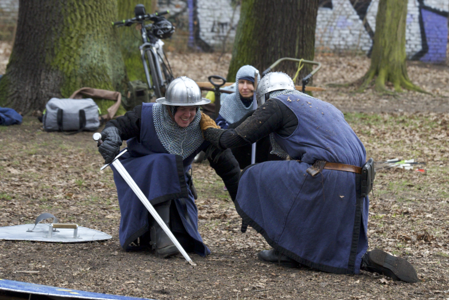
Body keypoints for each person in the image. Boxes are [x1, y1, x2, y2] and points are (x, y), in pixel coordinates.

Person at [200, 72, 419, 283]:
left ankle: (285, 250)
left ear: (265, 97)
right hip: (355, 179)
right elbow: (246, 123)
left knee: (255, 175)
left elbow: (232, 138)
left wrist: (205, 126)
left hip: (326, 173)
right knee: (290, 179)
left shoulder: (277, 105)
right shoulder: (318, 104)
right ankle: (355, 259)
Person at [98, 76, 240, 258]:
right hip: (138, 174)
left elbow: (229, 169)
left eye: (193, 109)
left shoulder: (204, 127)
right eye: (182, 109)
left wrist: (243, 203)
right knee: (163, 162)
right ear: (169, 107)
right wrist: (110, 137)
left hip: (174, 182)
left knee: (187, 239)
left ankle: (169, 235)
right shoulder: (147, 114)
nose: (188, 114)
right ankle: (161, 235)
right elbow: (117, 126)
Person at [215, 65, 282, 169]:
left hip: (259, 148)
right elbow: (220, 128)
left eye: (249, 83)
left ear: (257, 85)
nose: (245, 87)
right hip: (237, 146)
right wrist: (248, 118)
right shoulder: (230, 101)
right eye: (241, 82)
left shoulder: (265, 102)